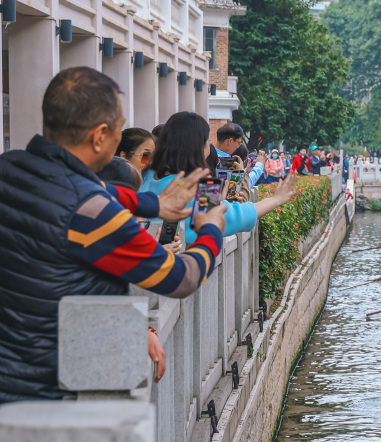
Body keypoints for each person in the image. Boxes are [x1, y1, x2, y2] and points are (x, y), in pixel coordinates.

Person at [0, 67, 226, 403]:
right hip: (52, 396)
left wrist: (154, 205)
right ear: (100, 135)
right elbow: (180, 277)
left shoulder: (12, 167)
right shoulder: (93, 214)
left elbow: (99, 190)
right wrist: (211, 230)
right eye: (119, 131)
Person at [141, 111, 298, 244]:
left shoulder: (145, 177)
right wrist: (276, 199)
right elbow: (235, 216)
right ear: (199, 147)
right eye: (207, 141)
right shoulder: (201, 188)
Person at [215, 122, 264, 188]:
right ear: (230, 141)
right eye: (238, 142)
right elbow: (242, 186)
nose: (238, 147)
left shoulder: (211, 155)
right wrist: (259, 165)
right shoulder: (225, 162)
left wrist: (244, 171)